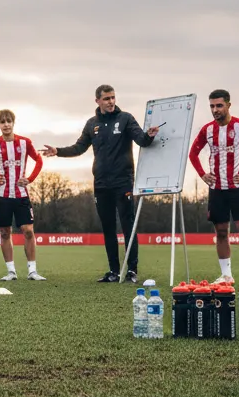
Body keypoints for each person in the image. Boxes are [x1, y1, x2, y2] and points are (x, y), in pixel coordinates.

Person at [41, 85, 158, 283]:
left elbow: (141, 140)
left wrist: (149, 135)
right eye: (106, 99)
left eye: (113, 97)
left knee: (128, 225)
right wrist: (58, 151)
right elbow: (79, 147)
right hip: (101, 184)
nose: (111, 101)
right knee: (108, 227)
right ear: (97, 101)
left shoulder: (126, 119)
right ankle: (113, 271)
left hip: (123, 182)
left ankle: (131, 271)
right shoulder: (91, 124)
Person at [189, 89, 239, 284]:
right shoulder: (207, 130)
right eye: (212, 106)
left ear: (228, 105)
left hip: (238, 188)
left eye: (219, 105)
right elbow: (193, 153)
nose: (215, 110)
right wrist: (202, 174)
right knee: (221, 232)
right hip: (217, 190)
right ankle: (227, 275)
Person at [0, 109, 46, 281]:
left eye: (9, 121)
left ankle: (32, 271)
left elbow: (39, 160)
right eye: (2, 122)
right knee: (5, 232)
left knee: (28, 231)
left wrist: (29, 178)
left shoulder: (25, 142)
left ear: (13, 123)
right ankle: (11, 272)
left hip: (21, 195)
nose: (6, 124)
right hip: (2, 196)